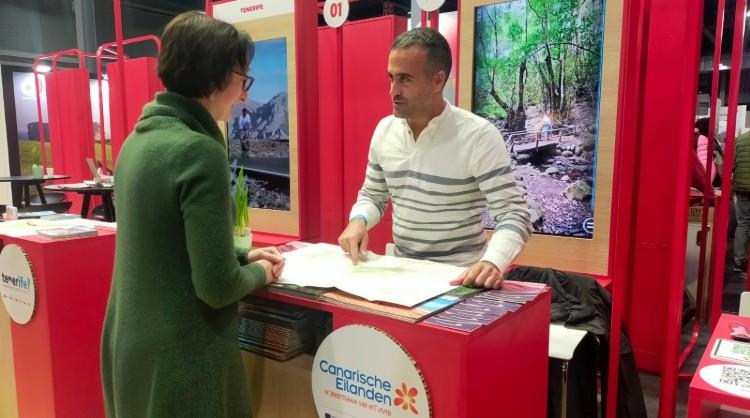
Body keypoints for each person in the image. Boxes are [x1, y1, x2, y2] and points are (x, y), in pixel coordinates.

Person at [101, 12, 283, 418]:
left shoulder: (136, 142)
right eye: (243, 78)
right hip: (181, 357)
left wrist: (238, 257)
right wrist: (261, 273)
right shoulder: (199, 151)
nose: (242, 94)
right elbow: (216, 288)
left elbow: (165, 248)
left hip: (130, 342)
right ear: (217, 77)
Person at [337, 27, 532, 290]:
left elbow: (513, 214)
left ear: (438, 81)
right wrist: (358, 221)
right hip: (401, 273)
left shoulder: (478, 136)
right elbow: (373, 195)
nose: (393, 90)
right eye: (391, 77)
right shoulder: (384, 130)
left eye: (405, 79)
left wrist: (493, 262)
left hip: (461, 279)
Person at [734, 130, 750, 276]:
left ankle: (739, 260)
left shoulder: (740, 139)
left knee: (743, 223)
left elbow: (732, 164)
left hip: (742, 187)